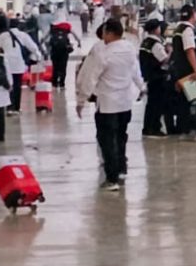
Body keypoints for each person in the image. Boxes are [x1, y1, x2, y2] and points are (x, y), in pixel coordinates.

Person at [74, 18, 144, 191]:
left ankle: (111, 179)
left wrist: (81, 100)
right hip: (125, 103)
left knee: (107, 140)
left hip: (107, 104)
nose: (103, 36)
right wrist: (142, 87)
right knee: (121, 138)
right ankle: (121, 169)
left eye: (104, 32)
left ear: (111, 33)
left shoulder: (103, 53)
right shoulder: (129, 49)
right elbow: (135, 72)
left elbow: (90, 77)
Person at [167, 7, 196, 137]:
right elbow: (190, 50)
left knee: (183, 100)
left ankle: (183, 128)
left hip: (179, 69)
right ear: (193, 16)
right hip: (188, 71)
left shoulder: (177, 30)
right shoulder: (187, 30)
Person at [139, 19, 175, 137]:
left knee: (151, 103)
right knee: (157, 104)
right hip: (158, 77)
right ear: (156, 29)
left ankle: (147, 127)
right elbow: (164, 59)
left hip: (149, 76)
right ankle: (154, 128)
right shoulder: (156, 44)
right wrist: (170, 51)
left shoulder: (145, 42)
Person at [48, 21, 80, 95]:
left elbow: (45, 38)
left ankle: (54, 83)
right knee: (63, 67)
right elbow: (75, 35)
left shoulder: (53, 29)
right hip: (64, 51)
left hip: (54, 51)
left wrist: (44, 47)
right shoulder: (67, 27)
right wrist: (79, 42)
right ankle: (62, 84)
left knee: (55, 67)